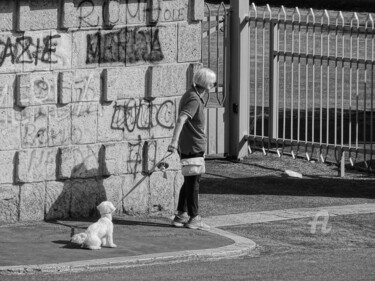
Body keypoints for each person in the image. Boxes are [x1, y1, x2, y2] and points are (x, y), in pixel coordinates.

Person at [167, 68, 217, 230]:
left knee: (189, 180)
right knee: (194, 182)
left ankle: (181, 214)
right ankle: (194, 217)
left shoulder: (190, 94)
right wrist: (174, 141)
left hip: (189, 145)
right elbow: (182, 118)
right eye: (213, 82)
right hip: (193, 146)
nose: (214, 84)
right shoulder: (195, 99)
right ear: (206, 83)